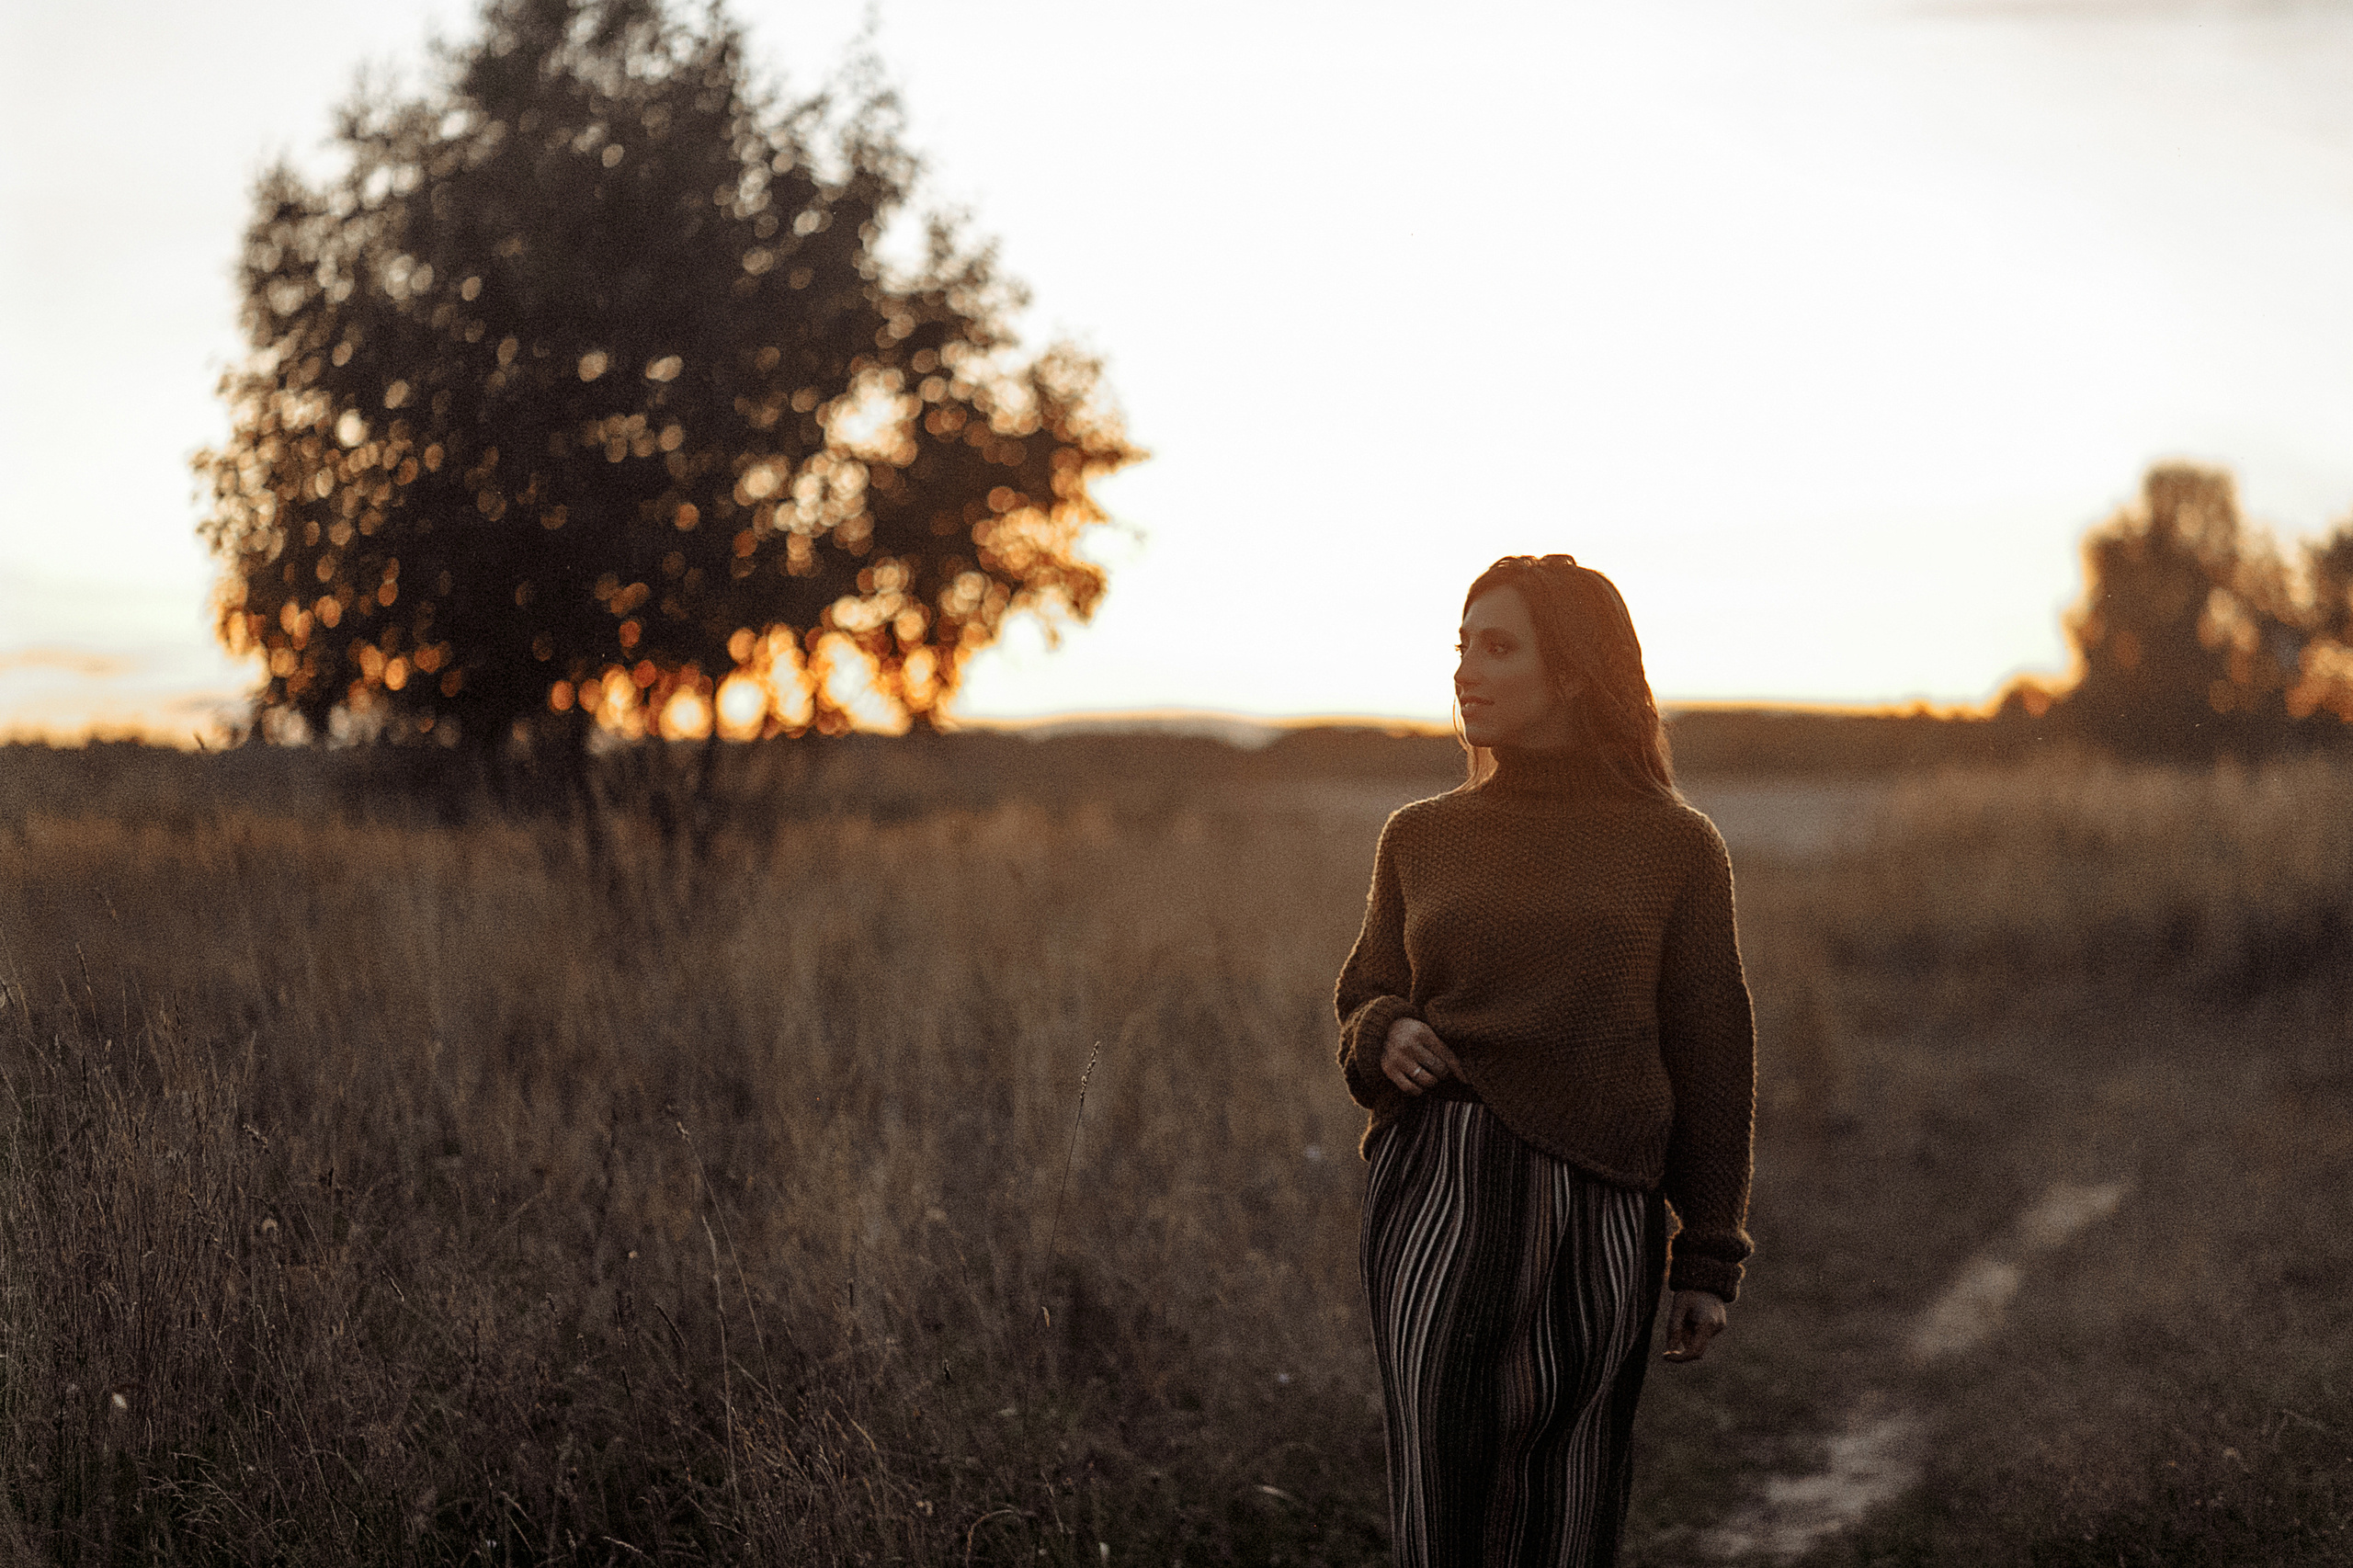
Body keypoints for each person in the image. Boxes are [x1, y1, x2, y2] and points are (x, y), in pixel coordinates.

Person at [1335, 553, 1756, 1568]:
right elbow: (1364, 993)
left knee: (1569, 1500)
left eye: (1499, 647)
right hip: (1438, 1197)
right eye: (1462, 646)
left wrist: (1706, 1254)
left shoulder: (1675, 845)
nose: (1466, 671)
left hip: (1598, 1210)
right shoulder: (1419, 836)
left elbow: (1712, 1053)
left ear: (1569, 672)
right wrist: (1383, 1029)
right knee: (1441, 1495)